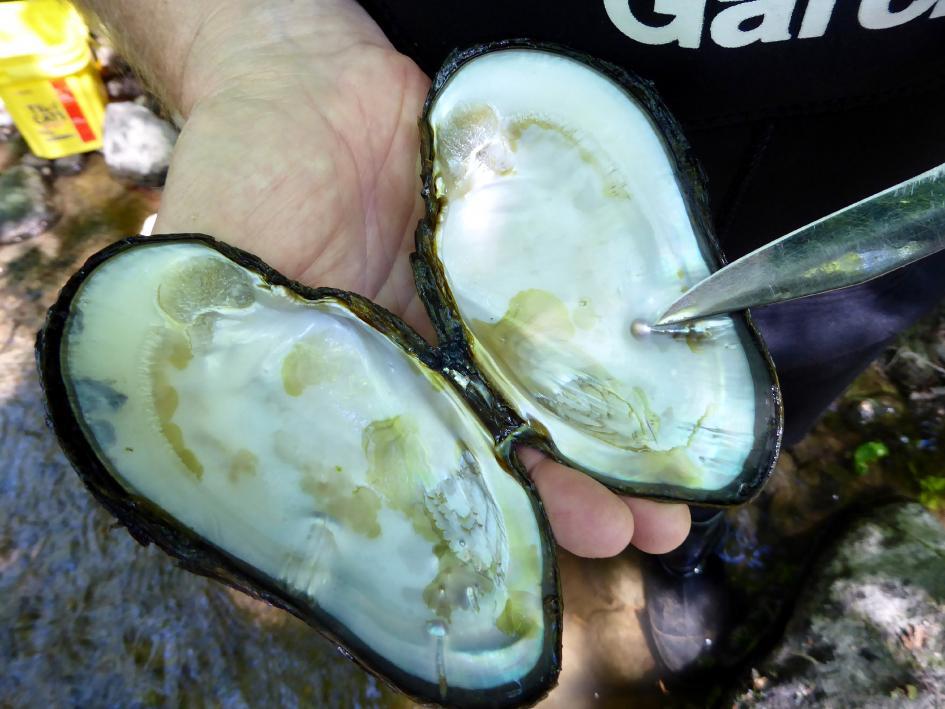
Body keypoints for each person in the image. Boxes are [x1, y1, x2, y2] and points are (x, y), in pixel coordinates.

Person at [79, 0, 945, 667]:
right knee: (657, 477)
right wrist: (248, 44)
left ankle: (693, 546)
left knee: (764, 414)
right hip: (385, 131)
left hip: (887, 195)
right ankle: (670, 533)